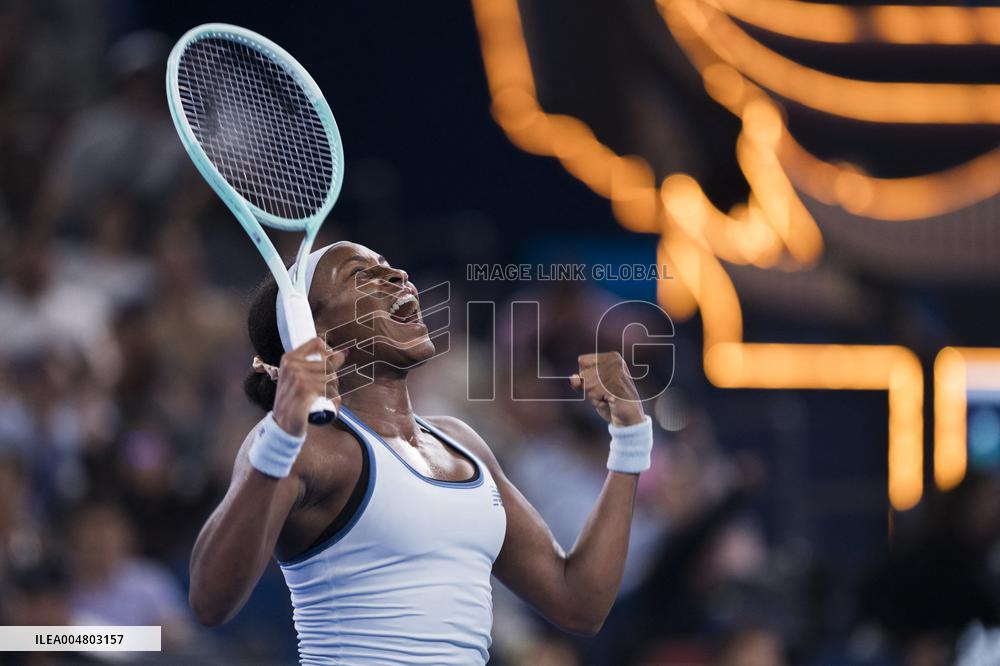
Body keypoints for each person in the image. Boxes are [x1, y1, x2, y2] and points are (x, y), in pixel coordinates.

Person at [188, 241, 655, 665]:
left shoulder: (463, 443)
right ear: (317, 332)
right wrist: (283, 433)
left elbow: (578, 603)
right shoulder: (303, 444)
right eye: (361, 275)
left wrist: (630, 441)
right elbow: (210, 602)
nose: (396, 277)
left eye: (390, 267)